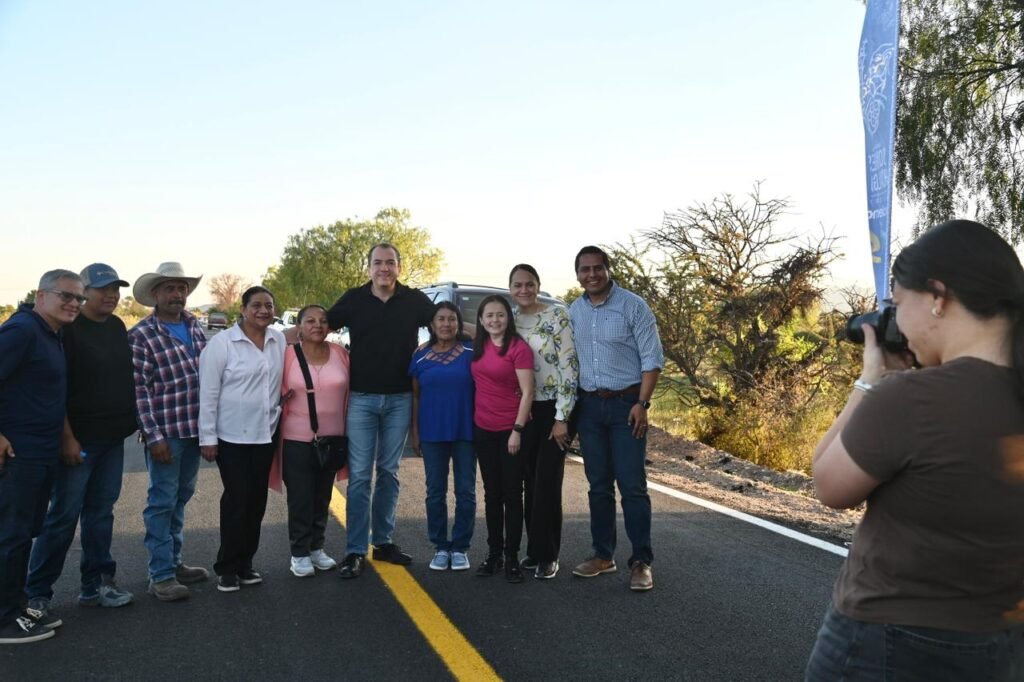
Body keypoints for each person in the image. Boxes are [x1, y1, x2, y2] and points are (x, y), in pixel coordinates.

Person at [806, 219, 1024, 681]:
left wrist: (869, 381)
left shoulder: (913, 398)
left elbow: (828, 483)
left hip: (889, 640)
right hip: (1002, 640)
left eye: (898, 304)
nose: (897, 323)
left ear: (938, 297)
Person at [25, 264, 136, 623]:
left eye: (116, 289)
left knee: (101, 514)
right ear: (83, 292)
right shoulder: (68, 331)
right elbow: (56, 390)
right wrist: (68, 438)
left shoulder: (118, 326)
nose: (111, 295)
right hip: (79, 442)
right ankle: (37, 594)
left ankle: (96, 585)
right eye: (102, 288)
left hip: (112, 440)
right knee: (63, 517)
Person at [327, 243, 435, 578]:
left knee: (388, 472)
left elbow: (448, 324)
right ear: (369, 267)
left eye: (390, 263)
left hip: (400, 398)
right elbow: (320, 325)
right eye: (378, 263)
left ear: (399, 267)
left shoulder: (414, 300)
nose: (384, 268)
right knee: (360, 476)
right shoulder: (354, 298)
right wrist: (267, 338)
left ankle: (383, 542)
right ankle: (355, 550)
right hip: (361, 398)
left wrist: (496, 337)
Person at [569, 246, 663, 592]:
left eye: (597, 268)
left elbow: (652, 360)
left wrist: (642, 403)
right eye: (584, 270)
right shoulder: (574, 311)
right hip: (590, 407)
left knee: (633, 486)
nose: (591, 275)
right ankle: (602, 555)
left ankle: (641, 561)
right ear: (577, 274)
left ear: (608, 269)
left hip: (627, 405)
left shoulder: (633, 306)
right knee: (598, 486)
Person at [0, 270, 84, 644]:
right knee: (11, 536)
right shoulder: (22, 330)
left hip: (42, 451)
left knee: (24, 533)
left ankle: (16, 609)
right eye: (65, 295)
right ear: (41, 295)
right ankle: (3, 620)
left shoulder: (51, 333)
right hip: (20, 454)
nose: (74, 303)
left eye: (78, 298)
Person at [129, 262, 209, 601]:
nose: (177, 294)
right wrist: (154, 435)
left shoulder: (195, 328)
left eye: (181, 288)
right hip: (167, 432)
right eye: (169, 289)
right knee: (161, 501)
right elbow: (139, 391)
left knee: (181, 497)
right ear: (155, 294)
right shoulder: (142, 335)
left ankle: (174, 563)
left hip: (194, 430)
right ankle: (160, 575)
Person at [199, 286, 285, 593]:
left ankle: (247, 562)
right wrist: (207, 437)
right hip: (231, 436)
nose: (263, 310)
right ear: (243, 309)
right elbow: (208, 393)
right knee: (237, 499)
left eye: (269, 305)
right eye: (257, 305)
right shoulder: (223, 344)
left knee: (257, 501)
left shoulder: (278, 340)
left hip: (266, 433)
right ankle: (227, 567)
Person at [509, 264, 578, 580]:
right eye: (517, 285)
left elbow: (568, 366)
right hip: (523, 410)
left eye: (529, 284)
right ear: (510, 287)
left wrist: (563, 418)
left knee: (547, 481)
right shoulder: (510, 319)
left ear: (538, 285)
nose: (524, 290)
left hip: (554, 410)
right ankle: (533, 550)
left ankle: (549, 554)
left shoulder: (556, 315)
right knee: (527, 480)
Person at [271, 304, 350, 578]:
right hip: (296, 438)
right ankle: (300, 553)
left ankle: (317, 548)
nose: (317, 325)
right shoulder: (287, 355)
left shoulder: (340, 354)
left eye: (323, 321)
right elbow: (271, 388)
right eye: (310, 321)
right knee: (301, 498)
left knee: (322, 496)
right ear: (299, 327)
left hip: (333, 440)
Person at [471, 295, 534, 583]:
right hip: (483, 429)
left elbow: (528, 392)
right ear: (481, 320)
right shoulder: (478, 345)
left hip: (511, 432)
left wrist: (517, 430)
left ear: (508, 317)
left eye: (500, 315)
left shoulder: (518, 349)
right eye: (489, 316)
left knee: (512, 494)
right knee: (492, 495)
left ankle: (512, 558)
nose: (495, 320)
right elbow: (446, 332)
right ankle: (493, 554)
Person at [409, 302, 476, 572]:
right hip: (432, 431)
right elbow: (416, 396)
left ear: (459, 324)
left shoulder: (473, 352)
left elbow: (490, 331)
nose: (446, 324)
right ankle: (440, 545)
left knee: (466, 491)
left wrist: (468, 331)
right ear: (432, 325)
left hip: (466, 431)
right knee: (435, 492)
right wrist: (415, 431)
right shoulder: (420, 356)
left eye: (452, 319)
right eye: (440, 319)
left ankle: (460, 547)